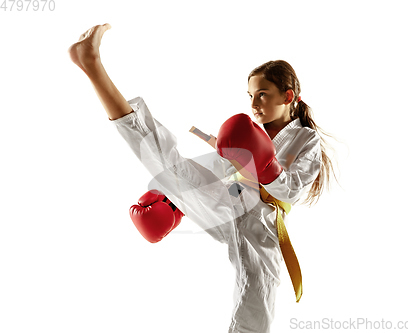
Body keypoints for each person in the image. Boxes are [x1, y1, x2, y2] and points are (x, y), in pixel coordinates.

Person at [68, 23, 338, 333]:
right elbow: (223, 171)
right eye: (250, 95)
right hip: (228, 200)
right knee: (167, 163)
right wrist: (178, 201)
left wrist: (265, 166)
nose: (253, 104)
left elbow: (291, 191)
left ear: (288, 95)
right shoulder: (255, 134)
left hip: (262, 223)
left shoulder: (306, 139)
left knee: (255, 316)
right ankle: (93, 66)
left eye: (262, 95)